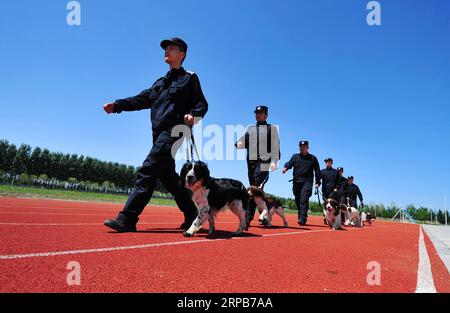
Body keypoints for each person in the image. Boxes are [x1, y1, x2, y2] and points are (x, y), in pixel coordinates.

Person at [102, 37, 208, 232]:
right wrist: (118, 105)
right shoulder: (160, 82)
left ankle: (128, 218)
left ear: (182, 54)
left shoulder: (190, 78)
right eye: (165, 48)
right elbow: (142, 99)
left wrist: (193, 115)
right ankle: (193, 214)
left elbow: (202, 103)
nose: (166, 51)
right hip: (158, 133)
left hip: (175, 131)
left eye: (171, 48)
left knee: (148, 170)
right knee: (169, 179)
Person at [235, 105, 280, 227]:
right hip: (251, 164)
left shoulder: (271, 129)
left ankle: (247, 219)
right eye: (256, 112)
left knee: (253, 190)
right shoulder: (251, 130)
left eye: (260, 113)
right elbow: (241, 143)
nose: (258, 114)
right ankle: (265, 216)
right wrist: (239, 143)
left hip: (264, 163)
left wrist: (275, 161)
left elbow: (276, 147)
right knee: (257, 192)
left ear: (266, 115)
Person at [282, 141, 320, 225]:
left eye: (304, 146)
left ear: (307, 148)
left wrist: (318, 182)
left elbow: (317, 171)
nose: (302, 148)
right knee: (297, 199)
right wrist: (285, 168)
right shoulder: (295, 157)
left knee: (303, 199)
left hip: (307, 182)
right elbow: (289, 163)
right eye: (300, 146)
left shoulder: (313, 158)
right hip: (296, 182)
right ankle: (302, 215)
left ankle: (302, 218)